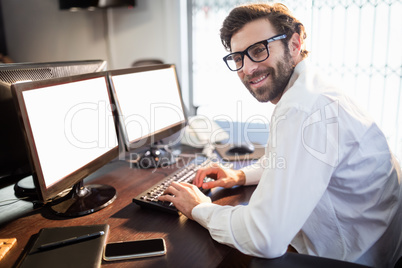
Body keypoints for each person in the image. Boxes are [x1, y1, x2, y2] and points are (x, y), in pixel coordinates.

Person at [158, 3, 402, 267]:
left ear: (295, 44)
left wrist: (199, 209)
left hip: (359, 258)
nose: (248, 69)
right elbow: (295, 160)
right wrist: (239, 175)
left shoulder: (301, 108)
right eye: (238, 57)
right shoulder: (313, 89)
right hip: (381, 242)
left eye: (258, 50)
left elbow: (265, 238)